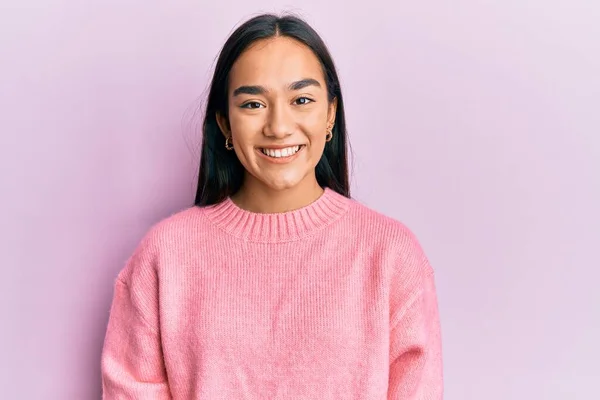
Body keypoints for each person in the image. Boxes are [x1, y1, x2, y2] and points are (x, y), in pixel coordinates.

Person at [100, 13, 443, 399]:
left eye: (301, 100)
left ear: (330, 114)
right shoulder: (165, 255)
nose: (278, 126)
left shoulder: (391, 254)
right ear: (225, 124)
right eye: (252, 104)